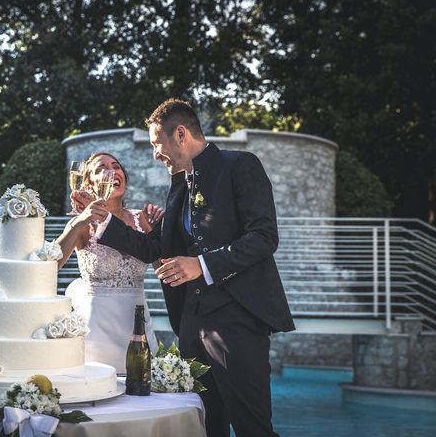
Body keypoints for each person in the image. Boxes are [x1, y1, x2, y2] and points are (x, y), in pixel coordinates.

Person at [85, 99, 295, 437]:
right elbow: (157, 249)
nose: (156, 154)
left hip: (238, 324)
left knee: (252, 427)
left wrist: (202, 265)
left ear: (180, 134)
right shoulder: (180, 184)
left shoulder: (240, 165)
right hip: (192, 325)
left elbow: (264, 237)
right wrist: (104, 221)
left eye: (157, 144)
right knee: (204, 427)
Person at [55, 152, 164, 373]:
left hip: (138, 328)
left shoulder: (140, 218)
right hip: (96, 334)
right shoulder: (82, 224)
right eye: (101, 168)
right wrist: (79, 222)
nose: (111, 171)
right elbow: (51, 266)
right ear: (88, 183)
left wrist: (160, 231)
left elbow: (163, 269)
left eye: (116, 166)